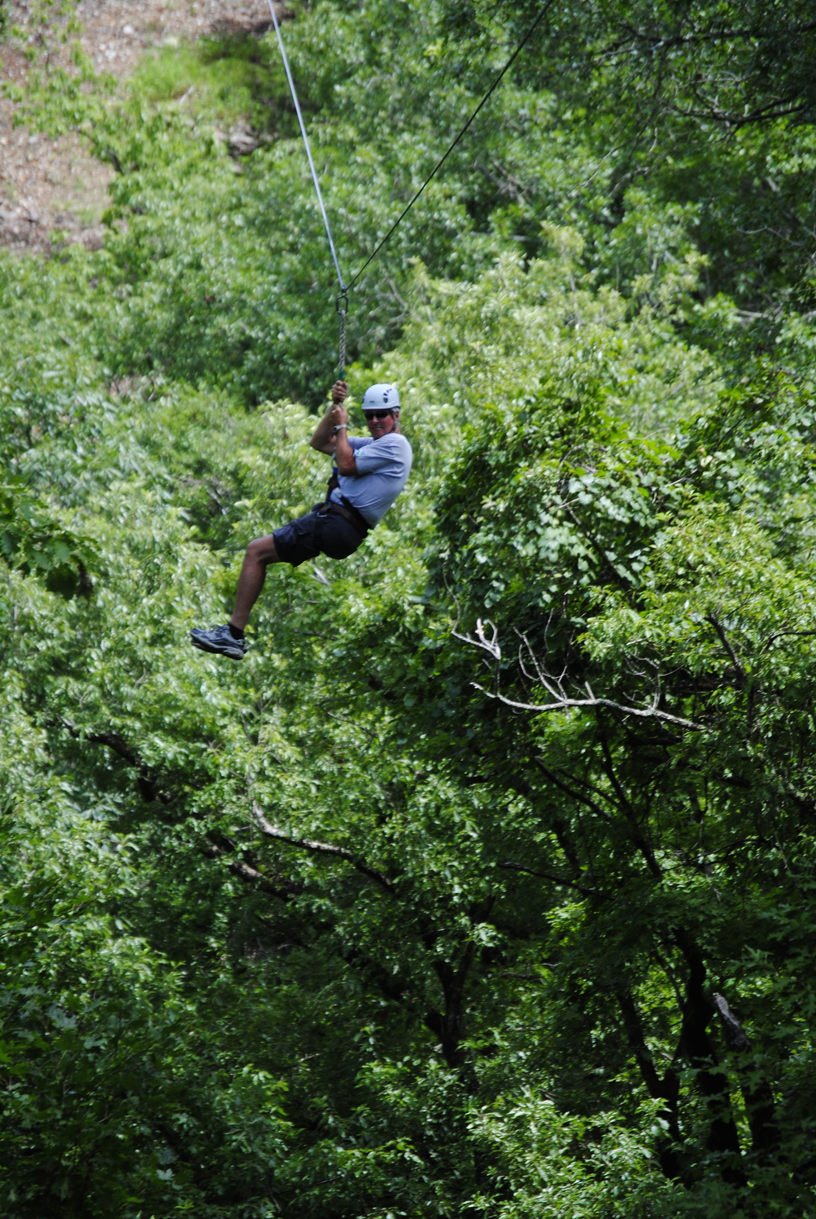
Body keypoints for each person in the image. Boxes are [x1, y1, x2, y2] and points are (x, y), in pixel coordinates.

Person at [190, 380, 412, 659]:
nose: (376, 420)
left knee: (255, 551)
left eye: (382, 414)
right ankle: (233, 634)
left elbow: (345, 463)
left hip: (339, 523)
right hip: (340, 527)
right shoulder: (375, 445)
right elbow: (320, 442)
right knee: (257, 552)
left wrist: (342, 425)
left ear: (396, 415)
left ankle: (233, 635)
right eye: (370, 415)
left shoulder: (396, 445)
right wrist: (334, 407)